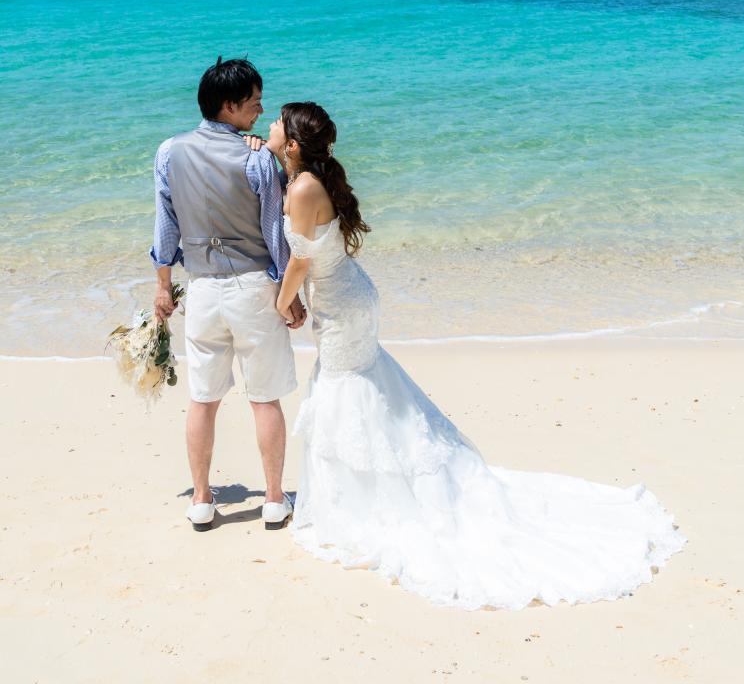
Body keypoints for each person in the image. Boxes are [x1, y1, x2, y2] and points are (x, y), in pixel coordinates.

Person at [244, 101, 686, 611]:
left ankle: (367, 505)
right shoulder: (308, 177)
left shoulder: (301, 187)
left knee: (349, 392)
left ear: (294, 145)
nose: (270, 126)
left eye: (277, 124)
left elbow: (300, 257)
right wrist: (267, 152)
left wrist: (282, 300)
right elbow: (301, 214)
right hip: (350, 297)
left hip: (341, 308)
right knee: (365, 390)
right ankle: (381, 490)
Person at [151, 58, 306, 532]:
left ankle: (201, 500)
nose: (260, 111)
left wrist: (163, 289)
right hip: (253, 290)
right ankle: (275, 500)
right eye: (255, 103)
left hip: (200, 290)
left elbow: (166, 225)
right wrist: (288, 294)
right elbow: (274, 231)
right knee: (265, 399)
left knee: (202, 398)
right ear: (230, 105)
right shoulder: (256, 158)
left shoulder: (168, 152)